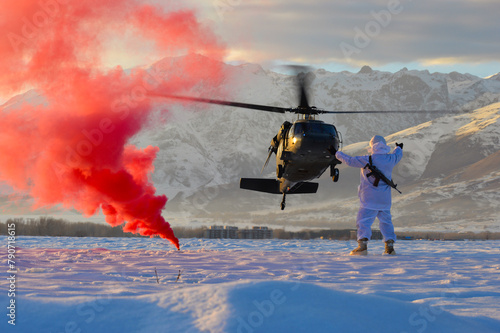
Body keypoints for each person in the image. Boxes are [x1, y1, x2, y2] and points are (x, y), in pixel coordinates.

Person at [335, 135, 403, 255]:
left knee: (363, 222)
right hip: (385, 200)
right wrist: (398, 148)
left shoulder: (367, 159)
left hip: (369, 199)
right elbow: (398, 155)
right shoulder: (391, 159)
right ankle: (390, 247)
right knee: (386, 222)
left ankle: (362, 247)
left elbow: (350, 161)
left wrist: (337, 153)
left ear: (372, 145)